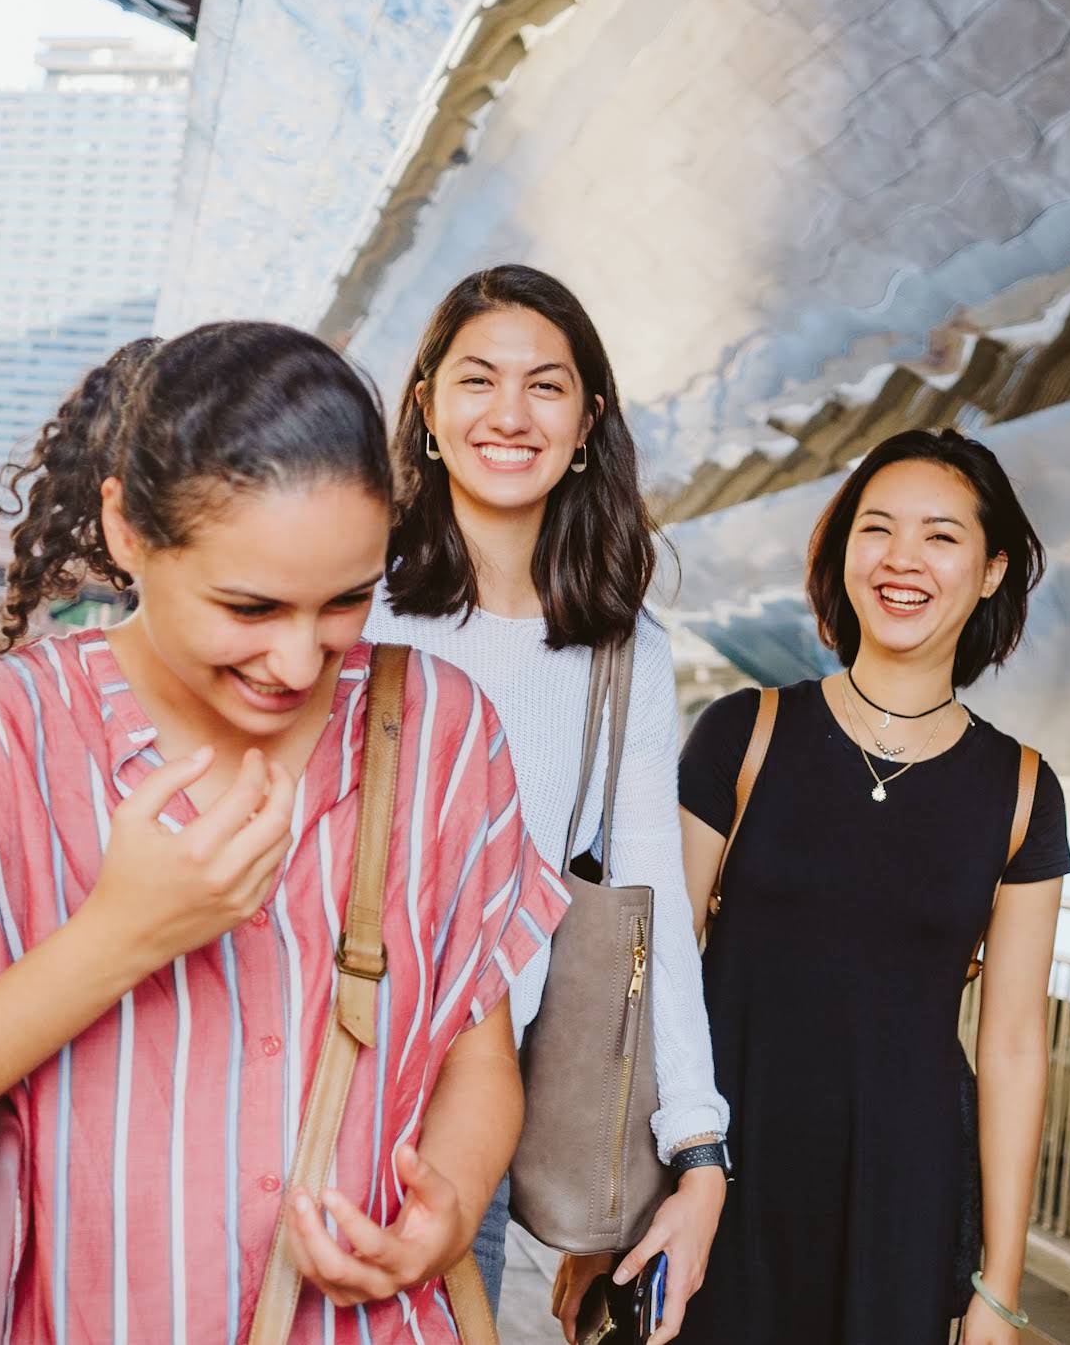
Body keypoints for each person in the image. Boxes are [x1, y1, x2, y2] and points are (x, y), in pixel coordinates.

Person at [0, 322, 568, 1343]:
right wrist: (121, 938)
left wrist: (445, 1209)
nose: (296, 660)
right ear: (126, 532)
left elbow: (476, 1057)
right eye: (248, 605)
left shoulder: (443, 732)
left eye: (344, 602)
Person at [367, 264, 729, 1343]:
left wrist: (698, 1147)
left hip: (491, 1115)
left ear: (587, 423)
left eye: (546, 386)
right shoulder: (358, 604)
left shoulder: (626, 653)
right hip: (320, 1075)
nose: (510, 414)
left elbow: (648, 898)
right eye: (477, 380)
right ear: (426, 408)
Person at [673, 428, 1070, 1345]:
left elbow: (1013, 1046)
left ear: (991, 572)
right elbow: (657, 980)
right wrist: (619, 1199)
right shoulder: (744, 735)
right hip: (721, 1178)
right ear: (841, 551)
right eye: (877, 529)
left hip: (901, 1202)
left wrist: (998, 1292)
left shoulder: (1019, 790)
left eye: (940, 536)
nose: (902, 560)